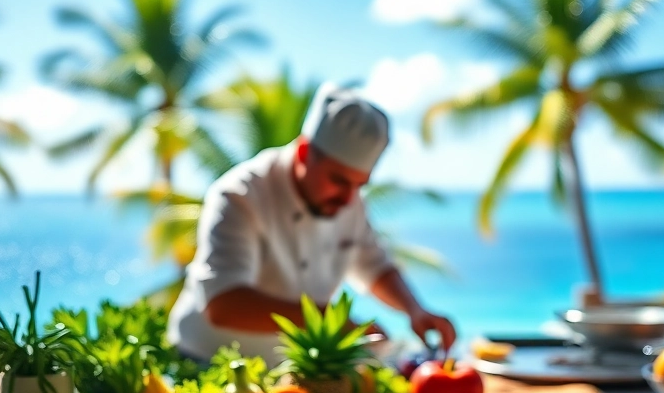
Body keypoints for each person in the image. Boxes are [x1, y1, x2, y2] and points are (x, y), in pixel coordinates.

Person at [168, 84, 457, 364]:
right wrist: (334, 322)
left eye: (359, 185)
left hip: (289, 370)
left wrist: (414, 310)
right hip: (210, 361)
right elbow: (225, 305)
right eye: (339, 180)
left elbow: (373, 265)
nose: (348, 199)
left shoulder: (350, 202)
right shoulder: (240, 195)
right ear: (304, 152)